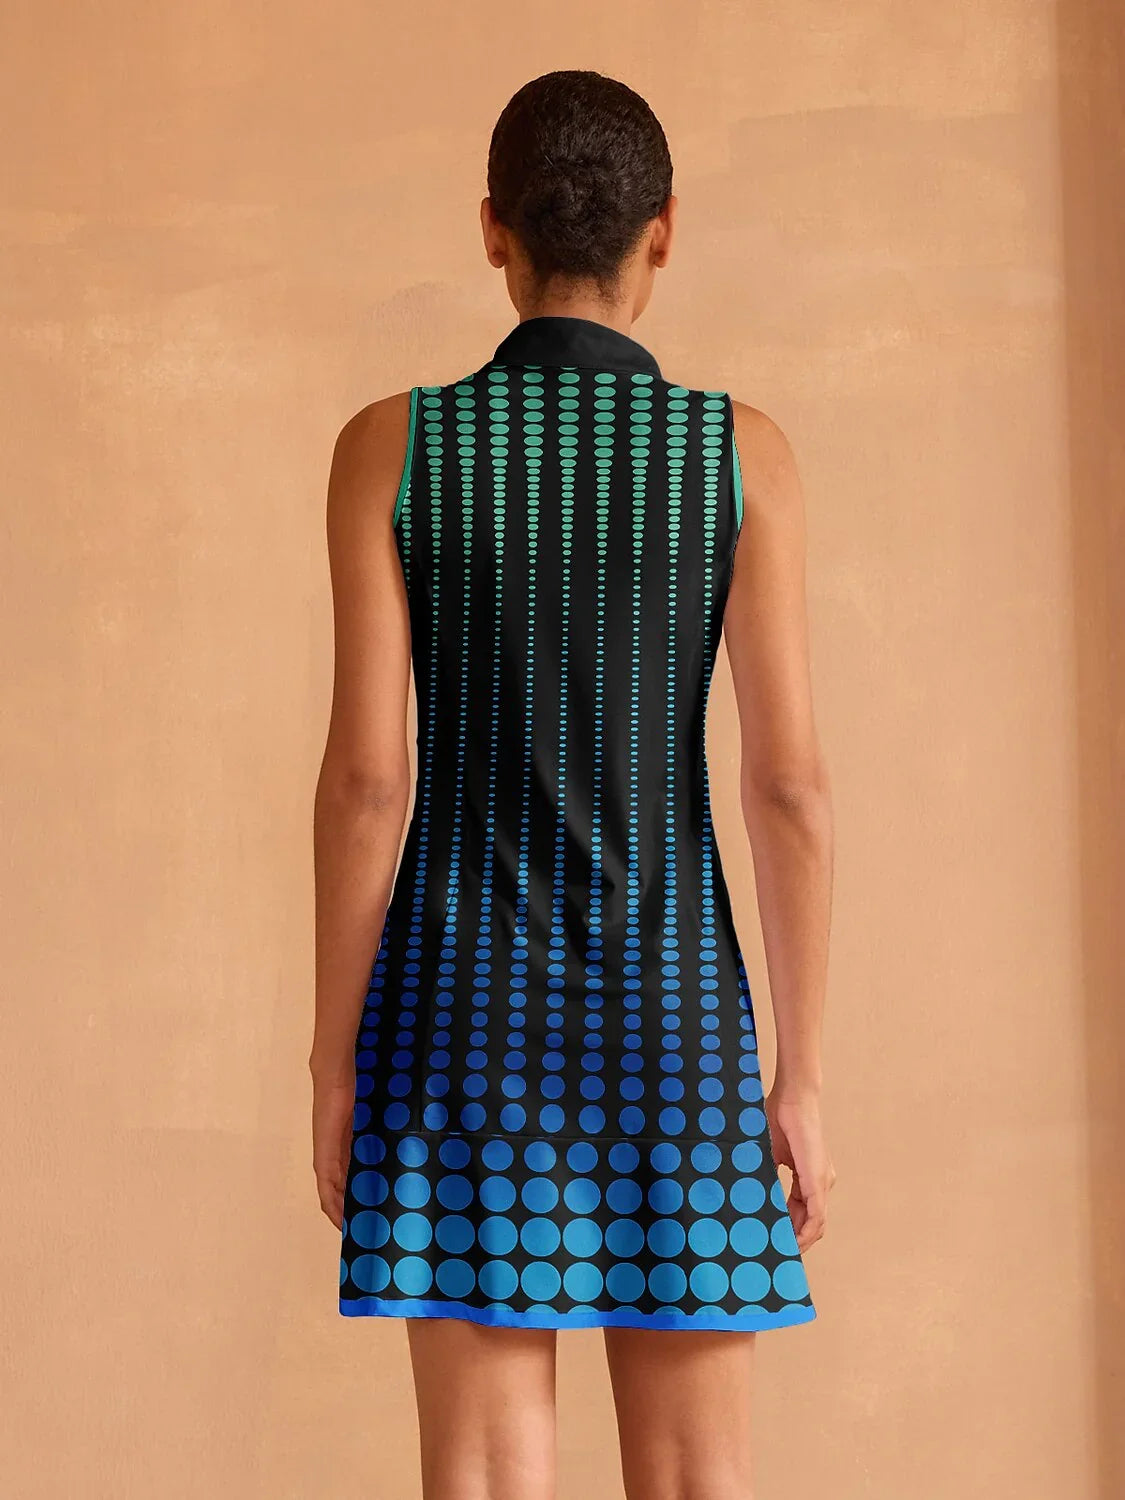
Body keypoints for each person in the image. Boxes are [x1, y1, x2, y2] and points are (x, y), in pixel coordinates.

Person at [311, 67, 835, 1500]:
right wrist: (798, 1073)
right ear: (661, 232)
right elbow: (788, 786)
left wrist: (334, 1061)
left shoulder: (395, 448)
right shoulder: (739, 455)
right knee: (696, 1481)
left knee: (482, 1477)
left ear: (493, 229)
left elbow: (366, 784)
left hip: (457, 1011)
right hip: (675, 1014)